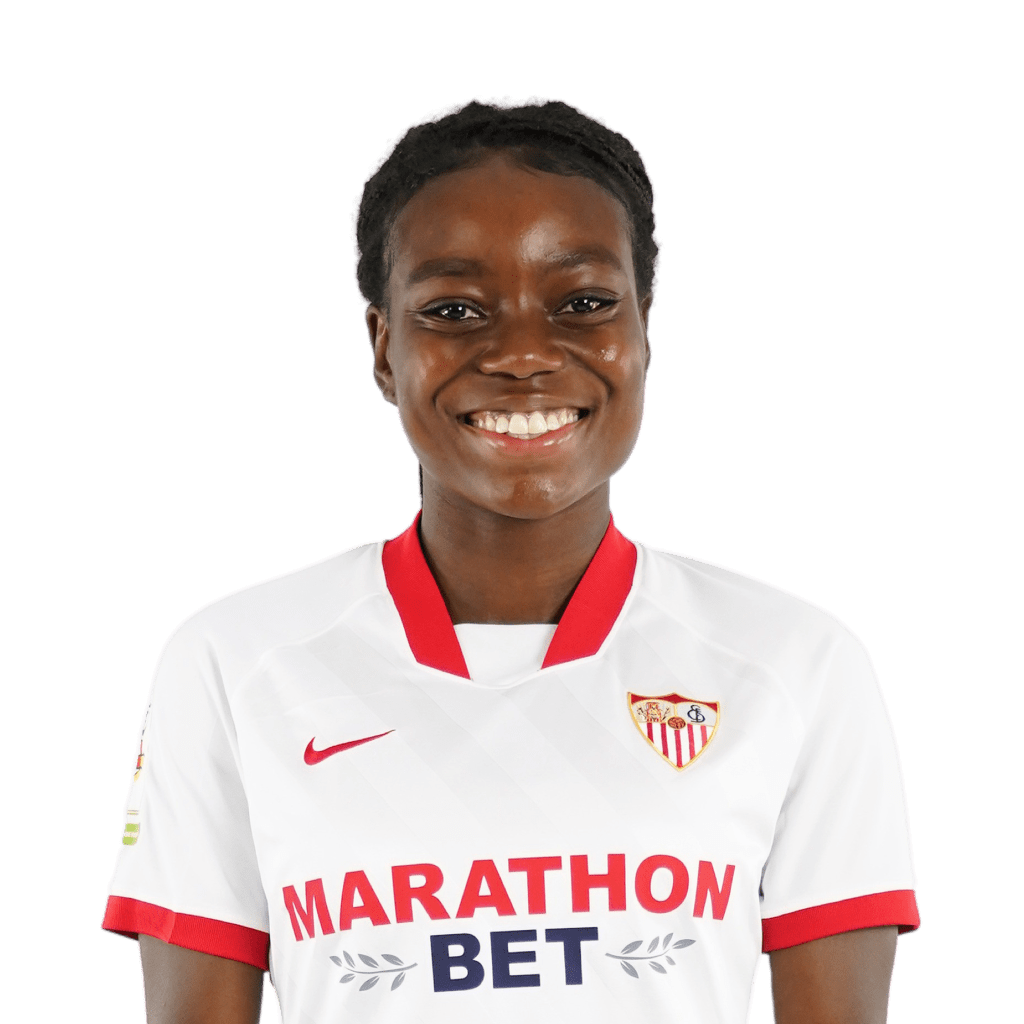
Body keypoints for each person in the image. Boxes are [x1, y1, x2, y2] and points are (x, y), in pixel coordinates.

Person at [102, 96, 919, 1024]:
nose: (524, 354)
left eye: (583, 304)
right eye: (454, 309)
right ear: (384, 348)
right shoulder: (234, 660)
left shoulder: (796, 663)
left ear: (642, 334)